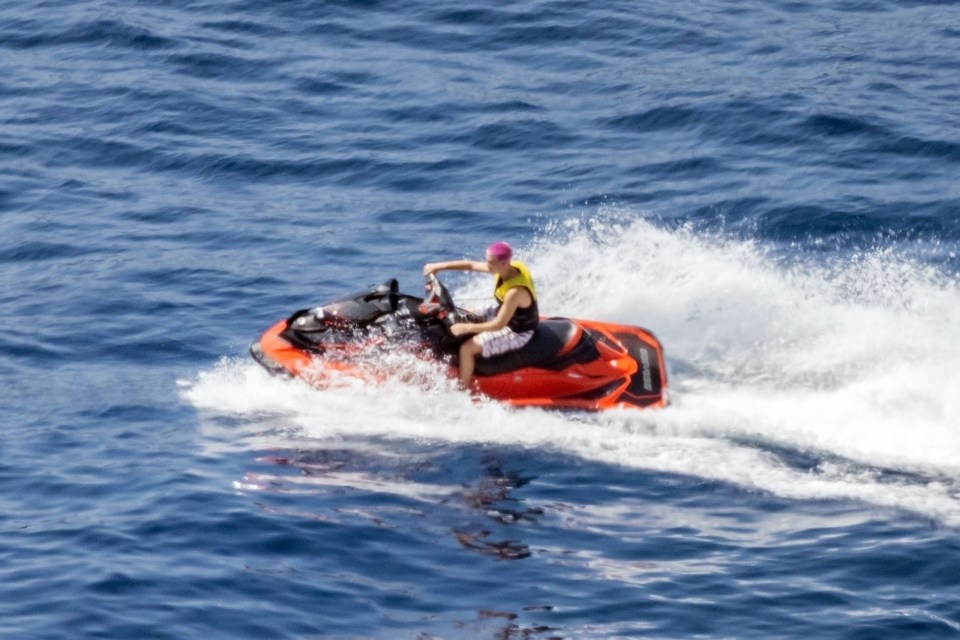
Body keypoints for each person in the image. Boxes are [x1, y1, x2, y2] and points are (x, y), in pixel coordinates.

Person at [423, 242, 538, 389]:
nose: (486, 265)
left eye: (490, 262)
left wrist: (465, 328)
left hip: (517, 330)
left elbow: (498, 325)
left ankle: (462, 390)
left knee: (467, 349)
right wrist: (438, 266)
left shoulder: (514, 292)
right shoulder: (507, 267)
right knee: (465, 313)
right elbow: (471, 265)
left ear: (503, 263)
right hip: (504, 312)